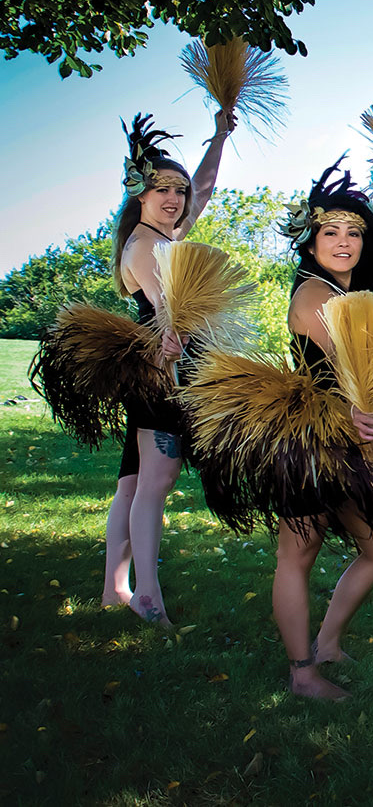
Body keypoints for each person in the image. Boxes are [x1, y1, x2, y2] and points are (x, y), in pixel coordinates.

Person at [273, 160, 373, 699]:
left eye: (354, 233)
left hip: (353, 444)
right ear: (310, 240)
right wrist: (359, 415)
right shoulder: (316, 297)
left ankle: (329, 640)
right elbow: (338, 377)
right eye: (331, 232)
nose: (344, 242)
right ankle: (302, 673)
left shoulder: (351, 288)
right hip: (312, 443)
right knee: (300, 549)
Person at [102, 110, 233, 625]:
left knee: (133, 483)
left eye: (178, 190)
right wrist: (173, 348)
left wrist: (220, 136)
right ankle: (148, 596)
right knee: (158, 478)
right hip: (160, 370)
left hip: (157, 364)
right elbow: (165, 313)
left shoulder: (161, 236)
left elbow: (203, 184)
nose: (176, 198)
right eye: (163, 189)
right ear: (139, 192)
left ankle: (116, 587)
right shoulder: (146, 243)